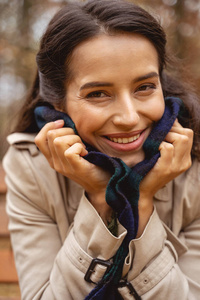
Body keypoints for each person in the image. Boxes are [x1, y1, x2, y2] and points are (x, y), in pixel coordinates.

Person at [3, 0, 200, 299]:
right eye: (98, 94)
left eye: (144, 87)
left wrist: (142, 201)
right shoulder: (30, 168)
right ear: (58, 101)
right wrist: (100, 199)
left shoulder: (194, 165)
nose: (129, 117)